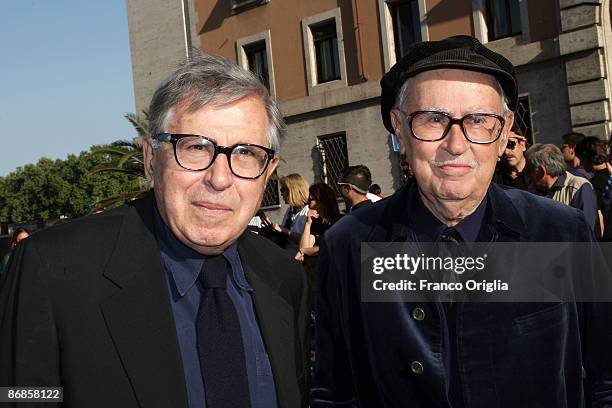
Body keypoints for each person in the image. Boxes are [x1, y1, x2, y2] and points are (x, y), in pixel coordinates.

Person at [311, 35, 612, 407]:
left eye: (479, 120)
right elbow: (335, 394)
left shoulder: (559, 233)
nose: (455, 144)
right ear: (400, 130)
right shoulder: (349, 245)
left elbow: (606, 376)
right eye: (433, 119)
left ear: (503, 134)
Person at [0, 51, 309, 408]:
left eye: (244, 153)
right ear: (151, 159)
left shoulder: (286, 279)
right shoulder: (53, 270)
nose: (220, 178)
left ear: (268, 171)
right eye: (195, 147)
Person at [525, 143, 598, 233]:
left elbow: (585, 232)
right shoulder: (532, 191)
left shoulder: (579, 188)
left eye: (528, 170)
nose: (527, 175)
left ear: (541, 171)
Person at [262, 173, 310, 256]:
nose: (281, 194)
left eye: (283, 190)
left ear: (293, 190)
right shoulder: (290, 210)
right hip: (288, 257)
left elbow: (306, 242)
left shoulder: (307, 211)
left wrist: (284, 231)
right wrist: (272, 228)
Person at [575, 136, 612, 239]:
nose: (581, 163)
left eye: (581, 159)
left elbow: (599, 216)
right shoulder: (608, 176)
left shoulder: (594, 183)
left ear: (587, 157)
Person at [494, 125, 528, 190]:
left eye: (510, 144)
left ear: (522, 145)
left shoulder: (535, 173)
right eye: (501, 146)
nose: (506, 152)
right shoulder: (495, 175)